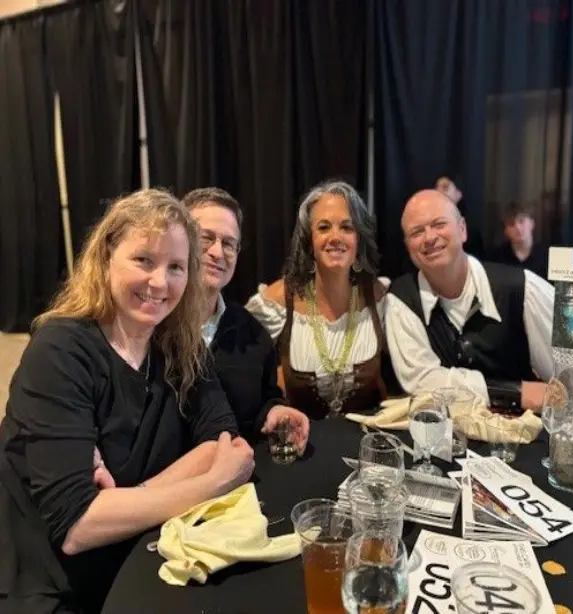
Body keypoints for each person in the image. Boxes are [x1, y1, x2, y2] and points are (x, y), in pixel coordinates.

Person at [0, 189, 255, 614]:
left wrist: (125, 501)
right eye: (144, 260)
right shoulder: (60, 350)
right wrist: (211, 484)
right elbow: (77, 527)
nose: (160, 282)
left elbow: (224, 442)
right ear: (105, 258)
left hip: (133, 551)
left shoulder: (181, 346)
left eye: (176, 267)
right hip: (47, 581)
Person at [385, 189, 573, 413]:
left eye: (439, 224)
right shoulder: (401, 300)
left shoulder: (523, 287)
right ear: (408, 246)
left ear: (462, 229)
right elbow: (423, 382)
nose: (429, 237)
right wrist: (517, 392)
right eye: (417, 232)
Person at [246, 180, 388, 419]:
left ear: (359, 240)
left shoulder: (378, 296)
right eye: (323, 228)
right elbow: (242, 371)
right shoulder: (278, 302)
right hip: (303, 447)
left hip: (365, 446)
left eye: (347, 227)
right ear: (309, 243)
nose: (335, 237)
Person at [183, 187, 309, 452]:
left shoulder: (253, 334)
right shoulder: (148, 327)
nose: (217, 252)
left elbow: (264, 401)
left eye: (229, 243)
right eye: (205, 238)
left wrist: (275, 413)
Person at [487, 201, 548, 279]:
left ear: (532, 223)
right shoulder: (496, 257)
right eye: (511, 224)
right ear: (506, 231)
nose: (518, 228)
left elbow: (563, 290)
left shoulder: (550, 256)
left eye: (521, 221)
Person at [434, 173, 485, 259]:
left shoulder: (471, 229)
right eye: (436, 187)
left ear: (459, 194)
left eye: (445, 187)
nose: (438, 192)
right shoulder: (427, 222)